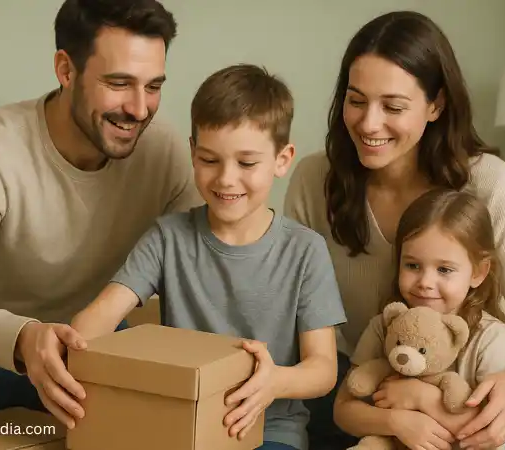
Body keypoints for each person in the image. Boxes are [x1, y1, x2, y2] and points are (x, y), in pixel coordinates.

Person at [0, 0, 202, 429]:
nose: (139, 109)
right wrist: (24, 337)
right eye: (119, 83)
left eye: (153, 86)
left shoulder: (165, 153)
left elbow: (202, 267)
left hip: (88, 344)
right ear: (66, 70)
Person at [283, 10, 505, 450]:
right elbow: (294, 311)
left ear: (436, 104)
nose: (368, 124)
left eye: (393, 107)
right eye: (356, 100)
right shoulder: (313, 180)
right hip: (374, 372)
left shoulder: (489, 183)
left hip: (481, 379)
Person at [70, 63, 348, 450]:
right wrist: (72, 346)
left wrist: (275, 382)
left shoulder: (305, 250)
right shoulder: (168, 238)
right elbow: (100, 317)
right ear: (192, 152)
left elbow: (323, 370)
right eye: (209, 160)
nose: (226, 179)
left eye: (247, 163)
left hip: (269, 433)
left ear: (282, 160)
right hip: (178, 429)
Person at [334, 188, 505, 450]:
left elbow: (489, 433)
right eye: (412, 265)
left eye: (444, 269)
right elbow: (343, 410)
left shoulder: (490, 337)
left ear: (478, 272)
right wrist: (396, 421)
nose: (425, 283)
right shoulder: (386, 325)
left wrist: (422, 399)